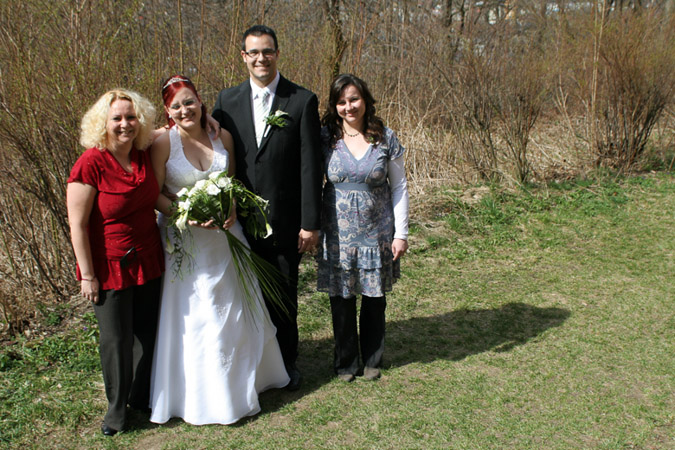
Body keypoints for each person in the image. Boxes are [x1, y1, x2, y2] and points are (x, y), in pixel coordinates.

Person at [148, 75, 289, 426]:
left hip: (226, 239)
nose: (185, 110)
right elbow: (154, 194)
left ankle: (248, 381)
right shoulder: (163, 143)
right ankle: (206, 396)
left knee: (235, 312)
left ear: (200, 101)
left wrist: (231, 209)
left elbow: (233, 183)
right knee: (201, 316)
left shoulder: (221, 136)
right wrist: (184, 213)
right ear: (168, 111)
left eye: (189, 101)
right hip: (186, 244)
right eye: (176, 106)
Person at [212, 25, 323, 390]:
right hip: (238, 222)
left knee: (283, 295)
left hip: (285, 220)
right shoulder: (226, 101)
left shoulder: (301, 100)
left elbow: (310, 166)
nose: (261, 58)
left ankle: (287, 363)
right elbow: (213, 152)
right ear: (244, 56)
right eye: (254, 52)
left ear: (277, 53)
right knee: (244, 295)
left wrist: (310, 222)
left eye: (268, 51)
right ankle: (253, 365)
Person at [66, 89, 164, 436]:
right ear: (102, 123)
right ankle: (116, 413)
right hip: (110, 265)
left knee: (147, 333)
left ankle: (140, 397)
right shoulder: (90, 162)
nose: (125, 124)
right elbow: (77, 224)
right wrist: (87, 275)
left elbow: (179, 126)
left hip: (149, 256)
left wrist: (208, 118)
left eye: (131, 117)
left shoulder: (142, 154)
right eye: (117, 118)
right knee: (116, 341)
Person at [317, 74, 409, 382]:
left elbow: (400, 186)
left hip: (376, 232)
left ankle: (372, 359)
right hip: (337, 235)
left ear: (365, 100)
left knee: (374, 299)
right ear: (335, 106)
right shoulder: (325, 138)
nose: (349, 107)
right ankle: (346, 362)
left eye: (354, 99)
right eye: (341, 102)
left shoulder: (385, 138)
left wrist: (401, 233)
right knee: (341, 300)